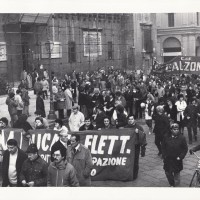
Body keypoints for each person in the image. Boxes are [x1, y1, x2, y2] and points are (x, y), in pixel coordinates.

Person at [125, 115, 147, 180]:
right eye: (129, 119)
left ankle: (134, 175)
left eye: (131, 119)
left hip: (136, 146)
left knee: (135, 161)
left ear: (134, 120)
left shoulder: (139, 127)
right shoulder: (125, 127)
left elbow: (143, 136)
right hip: (128, 147)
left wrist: (138, 133)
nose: (130, 120)